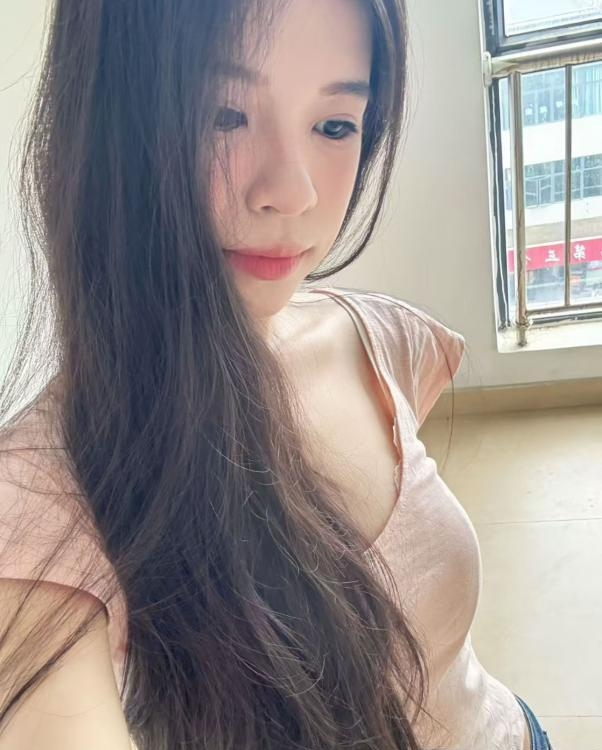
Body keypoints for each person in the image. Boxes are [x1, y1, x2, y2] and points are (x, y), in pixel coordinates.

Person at [0, 1, 553, 748]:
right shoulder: (38, 500)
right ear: (108, 128)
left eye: (335, 126)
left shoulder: (376, 341)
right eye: (223, 115)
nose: (294, 193)